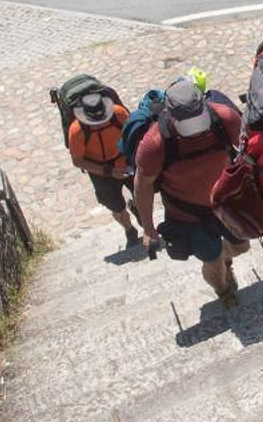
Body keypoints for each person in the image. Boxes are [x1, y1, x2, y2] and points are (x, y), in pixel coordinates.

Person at [134, 78, 250, 306]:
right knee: (213, 260)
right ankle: (224, 289)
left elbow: (248, 150)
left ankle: (224, 260)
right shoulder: (155, 144)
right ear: (169, 114)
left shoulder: (225, 119)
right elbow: (143, 185)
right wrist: (148, 228)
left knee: (242, 247)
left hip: (226, 203)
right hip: (188, 216)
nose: (195, 132)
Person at [66, 88, 139, 248]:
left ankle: (138, 210)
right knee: (117, 208)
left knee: (142, 194)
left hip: (125, 162)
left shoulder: (119, 114)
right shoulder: (76, 131)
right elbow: (78, 161)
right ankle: (129, 230)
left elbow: (134, 138)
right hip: (100, 171)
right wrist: (108, 171)